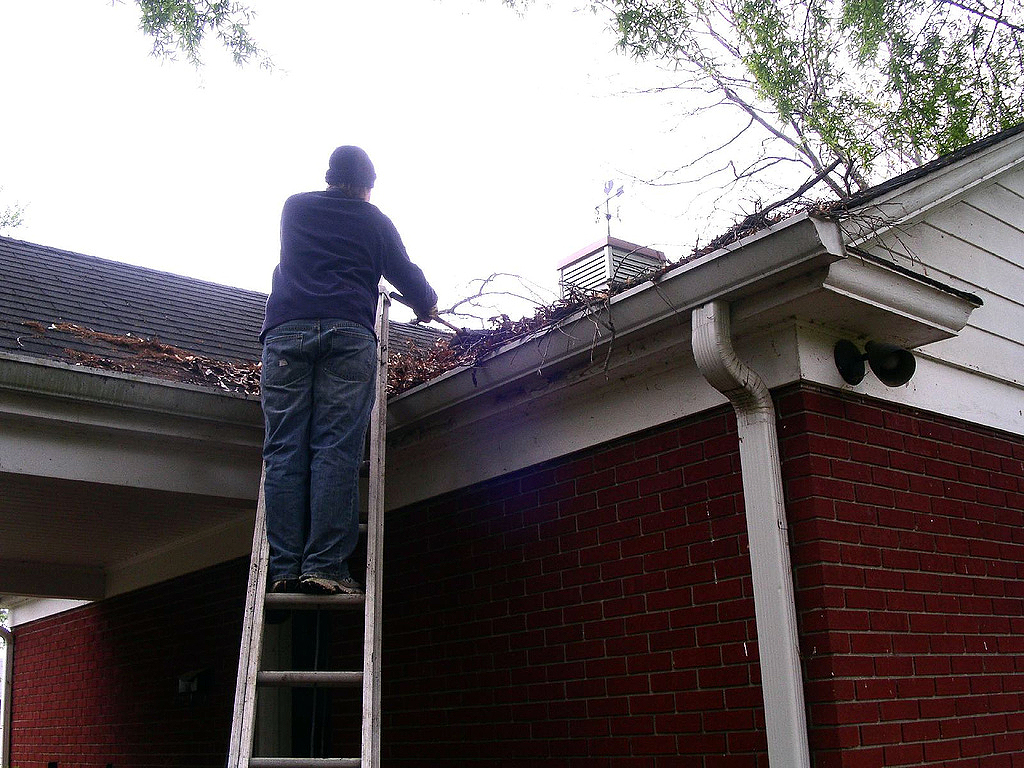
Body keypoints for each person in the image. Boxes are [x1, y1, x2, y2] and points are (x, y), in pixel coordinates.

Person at [260, 145, 437, 595]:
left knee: (284, 452)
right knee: (334, 450)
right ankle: (324, 566)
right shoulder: (374, 221)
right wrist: (426, 304)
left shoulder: (294, 208)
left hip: (287, 334)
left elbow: (319, 255)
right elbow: (406, 274)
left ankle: (282, 566)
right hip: (347, 335)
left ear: (328, 176)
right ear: (367, 186)